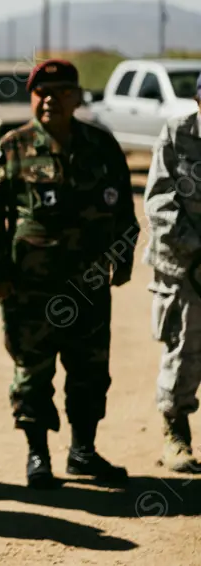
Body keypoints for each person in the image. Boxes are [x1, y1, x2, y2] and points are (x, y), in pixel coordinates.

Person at [0, 59, 139, 489]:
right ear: (31, 98)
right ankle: (38, 456)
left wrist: (124, 261)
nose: (50, 99)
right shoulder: (12, 147)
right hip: (31, 292)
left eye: (61, 91)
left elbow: (125, 217)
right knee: (32, 374)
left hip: (91, 290)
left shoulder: (102, 146)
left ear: (78, 97)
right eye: (42, 91)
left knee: (91, 373)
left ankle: (83, 452)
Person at [142, 72, 201, 474]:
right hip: (186, 268)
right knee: (185, 349)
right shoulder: (177, 134)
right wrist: (196, 251)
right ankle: (175, 435)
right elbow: (159, 203)